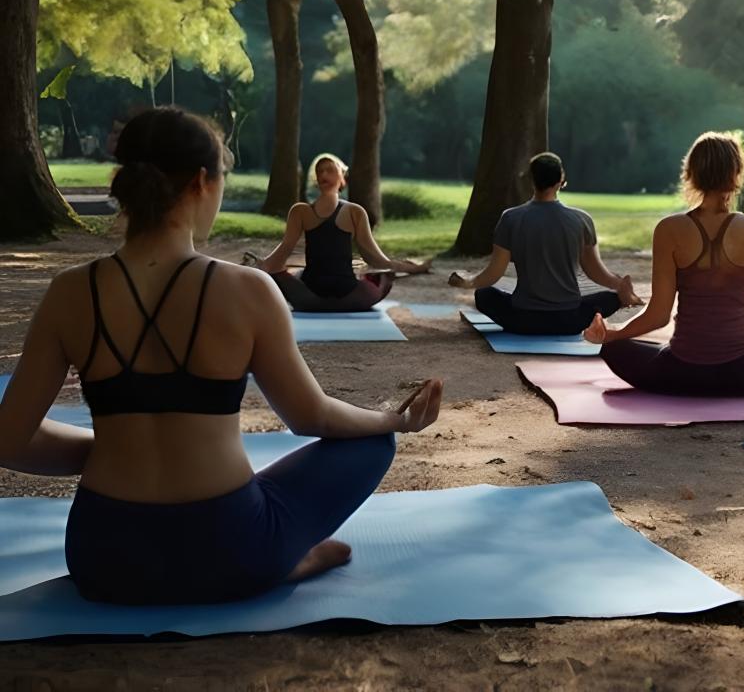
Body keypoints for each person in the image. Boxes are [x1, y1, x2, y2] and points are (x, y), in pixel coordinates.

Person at [0, 107, 443, 605]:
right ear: (201, 183)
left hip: (104, 558)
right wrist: (395, 421)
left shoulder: (70, 292)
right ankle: (283, 560)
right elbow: (309, 416)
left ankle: (283, 558)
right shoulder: (247, 289)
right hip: (231, 548)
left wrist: (106, 449)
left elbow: (9, 440)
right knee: (374, 442)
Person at [584, 132, 744, 396]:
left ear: (691, 174)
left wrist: (611, 335)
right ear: (736, 175)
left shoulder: (669, 230)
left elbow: (657, 316)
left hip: (681, 374)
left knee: (613, 349)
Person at [450, 152, 642, 334]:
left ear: (531, 180)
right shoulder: (582, 220)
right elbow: (597, 273)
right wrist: (620, 288)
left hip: (522, 320)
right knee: (610, 299)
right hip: (570, 320)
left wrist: (469, 281)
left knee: (483, 294)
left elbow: (493, 274)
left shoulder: (510, 218)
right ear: (561, 180)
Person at [251, 153, 430, 313]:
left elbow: (376, 258)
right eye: (320, 171)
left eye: (329, 170)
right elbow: (284, 249)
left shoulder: (355, 212)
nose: (323, 175)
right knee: (283, 274)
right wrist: (260, 267)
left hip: (345, 294)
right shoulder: (300, 211)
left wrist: (413, 268)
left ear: (342, 178)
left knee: (383, 276)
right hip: (311, 295)